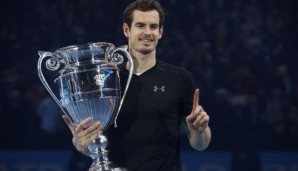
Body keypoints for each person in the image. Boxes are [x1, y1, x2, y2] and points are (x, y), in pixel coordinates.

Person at [62, 0, 211, 170]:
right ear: (127, 29)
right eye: (140, 25)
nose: (147, 32)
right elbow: (93, 144)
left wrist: (200, 131)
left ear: (161, 32)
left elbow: (200, 144)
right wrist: (82, 144)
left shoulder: (179, 79)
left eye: (153, 27)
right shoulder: (105, 80)